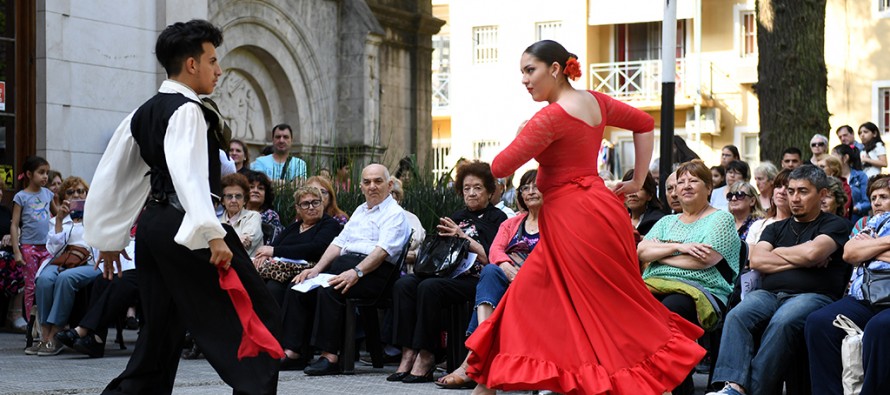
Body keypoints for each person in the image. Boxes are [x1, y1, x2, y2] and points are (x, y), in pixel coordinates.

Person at [465, 39, 705, 395]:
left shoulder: (550, 117)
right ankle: (487, 384)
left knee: (601, 305)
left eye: (530, 71)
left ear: (557, 69)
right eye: (522, 73)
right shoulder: (594, 101)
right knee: (542, 296)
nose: (525, 80)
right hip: (598, 211)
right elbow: (643, 123)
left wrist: (522, 133)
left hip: (572, 219)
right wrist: (637, 180)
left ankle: (641, 381)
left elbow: (500, 166)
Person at [83, 20, 282, 394]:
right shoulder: (188, 110)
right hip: (187, 225)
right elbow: (188, 177)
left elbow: (115, 175)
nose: (219, 70)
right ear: (191, 65)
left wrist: (108, 236)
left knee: (163, 325)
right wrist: (212, 233)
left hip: (156, 228)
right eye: (212, 60)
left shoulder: (143, 111)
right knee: (257, 309)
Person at [707, 165, 851, 395]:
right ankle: (732, 386)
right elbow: (756, 260)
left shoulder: (835, 225)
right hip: (768, 294)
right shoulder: (775, 228)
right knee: (738, 315)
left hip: (813, 296)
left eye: (803, 191)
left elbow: (812, 253)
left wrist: (786, 254)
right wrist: (802, 258)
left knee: (783, 322)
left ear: (822, 194)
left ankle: (752, 391)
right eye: (791, 191)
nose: (794, 198)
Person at [390, 161, 508, 384]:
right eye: (466, 188)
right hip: (448, 274)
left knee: (429, 288)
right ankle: (408, 353)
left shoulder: (498, 219)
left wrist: (463, 237)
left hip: (477, 280)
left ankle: (427, 355)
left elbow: (492, 258)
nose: (471, 193)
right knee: (404, 285)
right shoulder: (457, 215)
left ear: (490, 191)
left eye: (477, 188)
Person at [285, 164, 409, 376]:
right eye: (367, 182)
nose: (372, 186)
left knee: (329, 290)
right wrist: (316, 269)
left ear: (389, 185)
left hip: (375, 273)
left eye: (378, 181)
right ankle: (294, 352)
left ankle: (330, 356)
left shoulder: (395, 213)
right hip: (345, 266)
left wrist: (357, 272)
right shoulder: (361, 210)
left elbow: (382, 252)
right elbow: (338, 243)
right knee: (298, 286)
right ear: (361, 186)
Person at [638, 160, 741, 395]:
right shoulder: (666, 221)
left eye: (693, 181)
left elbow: (704, 260)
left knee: (668, 313)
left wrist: (661, 254)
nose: (684, 186)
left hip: (701, 290)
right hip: (655, 286)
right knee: (629, 309)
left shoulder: (720, 219)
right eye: (679, 183)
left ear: (708, 188)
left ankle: (678, 389)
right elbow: (642, 251)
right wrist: (680, 247)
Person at [436, 169, 541, 390]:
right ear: (520, 194)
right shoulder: (512, 224)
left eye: (537, 186)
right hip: (506, 277)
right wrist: (506, 266)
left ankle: (473, 360)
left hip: (539, 282)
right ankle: (485, 344)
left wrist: (523, 272)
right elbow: (495, 251)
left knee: (491, 279)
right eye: (525, 188)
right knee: (491, 271)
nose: (531, 192)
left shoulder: (556, 223)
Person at [804, 176, 890, 395]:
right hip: (864, 297)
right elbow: (850, 253)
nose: (876, 202)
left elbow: (860, 252)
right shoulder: (870, 223)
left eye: (884, 197)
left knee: (879, 329)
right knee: (819, 322)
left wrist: (869, 250)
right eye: (873, 198)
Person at [28, 177, 101, 356]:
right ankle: (45, 331)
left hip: (90, 261)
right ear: (63, 197)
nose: (76, 195)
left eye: (80, 191)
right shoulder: (58, 219)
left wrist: (88, 217)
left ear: (87, 194)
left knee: (66, 278)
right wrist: (60, 220)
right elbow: (53, 249)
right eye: (70, 192)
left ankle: (56, 332)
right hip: (62, 259)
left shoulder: (96, 216)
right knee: (44, 279)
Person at [55, 228, 139, 358]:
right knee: (102, 280)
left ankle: (83, 330)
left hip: (153, 270)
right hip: (133, 262)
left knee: (122, 281)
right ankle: (96, 341)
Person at [253, 186, 341, 307]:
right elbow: (273, 246)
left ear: (322, 204)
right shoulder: (294, 227)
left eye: (315, 202)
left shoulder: (329, 224)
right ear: (298, 208)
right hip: (280, 270)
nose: (311, 207)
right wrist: (263, 255)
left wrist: (275, 251)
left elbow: (316, 248)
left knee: (274, 288)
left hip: (308, 272)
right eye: (305, 204)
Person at [11, 156, 57, 328]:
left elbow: (57, 215)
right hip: (29, 248)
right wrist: (17, 251)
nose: (45, 176)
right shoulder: (21, 197)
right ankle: (33, 324)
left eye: (47, 172)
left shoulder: (48, 194)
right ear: (29, 174)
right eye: (41, 172)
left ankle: (47, 321)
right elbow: (14, 225)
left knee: (47, 283)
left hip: (47, 248)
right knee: (30, 286)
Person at [745, 169, 792, 252]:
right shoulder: (757, 226)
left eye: (788, 188)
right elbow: (750, 260)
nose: (781, 191)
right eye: (778, 186)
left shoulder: (801, 227)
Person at [219, 173, 264, 257]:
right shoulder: (217, 223)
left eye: (238, 196)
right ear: (222, 201)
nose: (233, 200)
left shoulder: (253, 217)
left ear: (244, 200)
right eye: (229, 196)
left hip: (245, 267)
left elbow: (244, 245)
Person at [0, 186, 23, 331]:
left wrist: (13, 236)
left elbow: (17, 227)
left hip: (7, 254)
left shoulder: (5, 211)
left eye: (1, 189)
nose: (1, 193)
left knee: (21, 264)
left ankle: (15, 314)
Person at [832, 144, 869, 224]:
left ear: (845, 158)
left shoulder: (860, 176)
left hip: (856, 222)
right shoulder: (832, 178)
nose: (832, 161)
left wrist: (852, 209)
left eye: (834, 157)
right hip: (837, 221)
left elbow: (867, 202)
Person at [622, 169, 666, 236]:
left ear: (650, 195)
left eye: (638, 189)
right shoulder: (619, 219)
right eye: (628, 189)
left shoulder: (659, 222)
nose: (632, 194)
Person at [245, 170, 283, 246]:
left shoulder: (271, 216)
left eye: (260, 188)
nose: (255, 190)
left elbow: (273, 243)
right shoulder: (236, 213)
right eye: (251, 187)